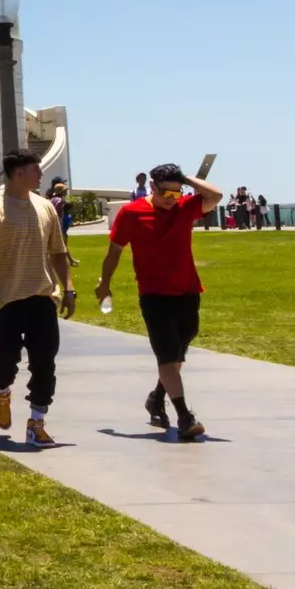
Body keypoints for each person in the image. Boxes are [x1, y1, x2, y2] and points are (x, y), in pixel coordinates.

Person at [96, 162, 221, 442]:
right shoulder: (131, 213)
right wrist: (104, 284)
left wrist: (184, 178)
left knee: (178, 354)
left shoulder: (185, 207)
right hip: (154, 296)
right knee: (167, 356)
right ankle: (185, 417)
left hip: (188, 291)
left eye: (176, 194)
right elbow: (114, 252)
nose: (170, 200)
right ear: (152, 187)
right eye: (166, 193)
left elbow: (215, 196)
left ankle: (156, 398)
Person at [0, 150, 76, 449]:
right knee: (4, 361)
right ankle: (2, 392)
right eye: (35, 170)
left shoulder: (45, 207)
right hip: (4, 300)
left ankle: (37, 423)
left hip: (42, 296)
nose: (41, 175)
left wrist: (68, 288)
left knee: (45, 362)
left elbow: (58, 252)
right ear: (18, 173)